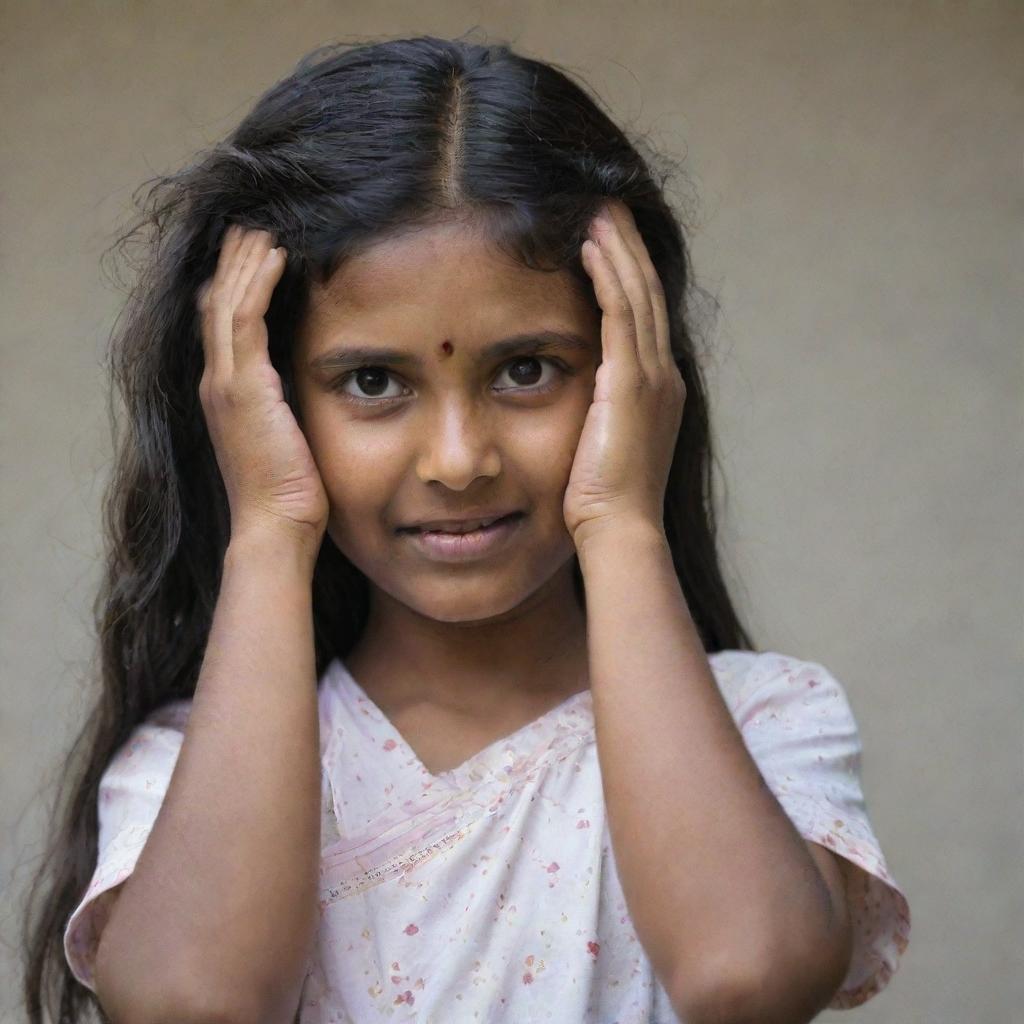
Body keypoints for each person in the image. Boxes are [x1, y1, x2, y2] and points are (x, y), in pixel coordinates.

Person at [22, 33, 910, 1024]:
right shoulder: (196, 768)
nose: (457, 458)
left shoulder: (763, 723)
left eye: (527, 369)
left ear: (635, 376)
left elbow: (745, 973)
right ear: (267, 399)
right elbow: (199, 1004)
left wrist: (621, 519)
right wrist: (268, 526)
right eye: (372, 381)